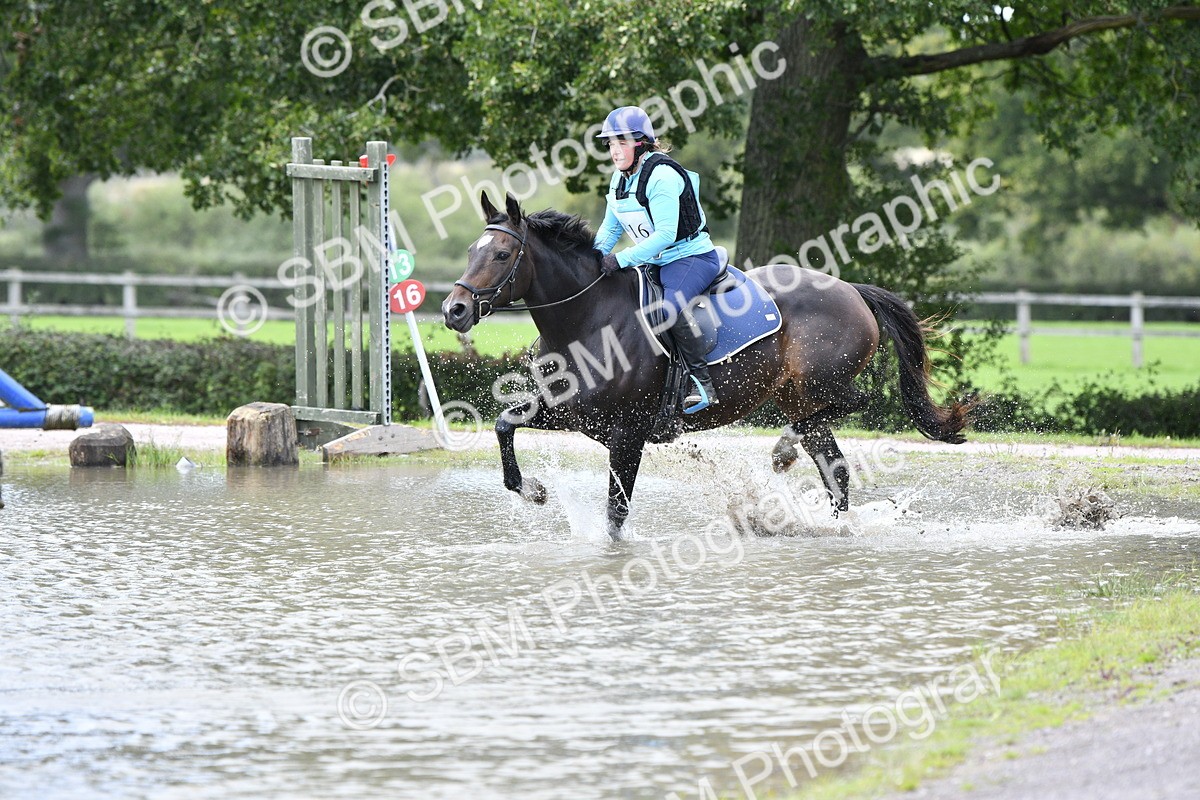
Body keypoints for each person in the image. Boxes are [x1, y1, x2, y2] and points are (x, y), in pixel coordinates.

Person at [592, 106, 721, 414]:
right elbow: (609, 231)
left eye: (621, 142)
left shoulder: (661, 175)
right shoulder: (619, 180)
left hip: (691, 258)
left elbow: (665, 235)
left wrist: (621, 260)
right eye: (610, 143)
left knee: (668, 310)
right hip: (655, 262)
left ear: (640, 143)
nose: (614, 150)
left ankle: (701, 382)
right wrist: (589, 260)